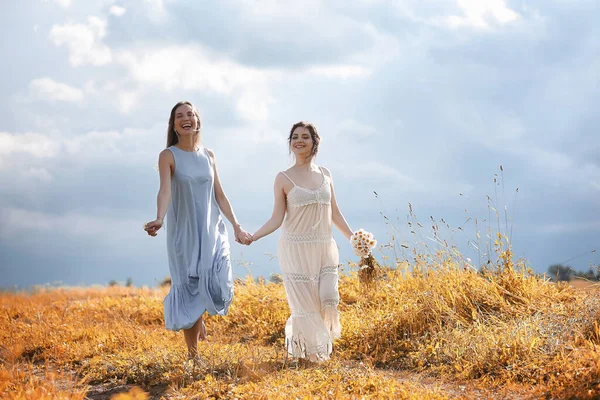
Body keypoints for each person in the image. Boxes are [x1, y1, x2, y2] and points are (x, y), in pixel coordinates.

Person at [144, 101, 252, 359]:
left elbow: (220, 195)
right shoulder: (168, 155)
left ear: (198, 121)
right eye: (179, 116)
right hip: (184, 232)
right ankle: (193, 356)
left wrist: (236, 225)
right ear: (173, 125)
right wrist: (159, 218)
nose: (186, 118)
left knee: (215, 278)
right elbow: (165, 190)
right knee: (190, 285)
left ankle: (199, 313)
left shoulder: (209, 155)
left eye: (190, 114)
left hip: (211, 230)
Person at [248, 121, 354, 361]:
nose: (299, 140)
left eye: (305, 136)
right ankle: (309, 357)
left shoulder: (326, 174)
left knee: (328, 297)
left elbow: (335, 213)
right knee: (305, 306)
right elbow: (277, 218)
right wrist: (253, 237)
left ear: (314, 142)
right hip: (295, 248)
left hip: (324, 247)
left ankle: (316, 351)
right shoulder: (283, 178)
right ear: (290, 143)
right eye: (295, 136)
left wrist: (355, 239)